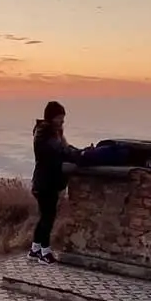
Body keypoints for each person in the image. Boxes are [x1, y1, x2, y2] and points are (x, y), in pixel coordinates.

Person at [29, 101, 88, 264]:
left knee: (45, 216)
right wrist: (78, 155)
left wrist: (79, 152)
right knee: (48, 217)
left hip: (46, 181)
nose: (62, 121)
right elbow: (60, 150)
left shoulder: (53, 132)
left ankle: (35, 249)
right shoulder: (44, 133)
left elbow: (65, 148)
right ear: (52, 117)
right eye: (60, 117)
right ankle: (44, 252)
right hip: (45, 182)